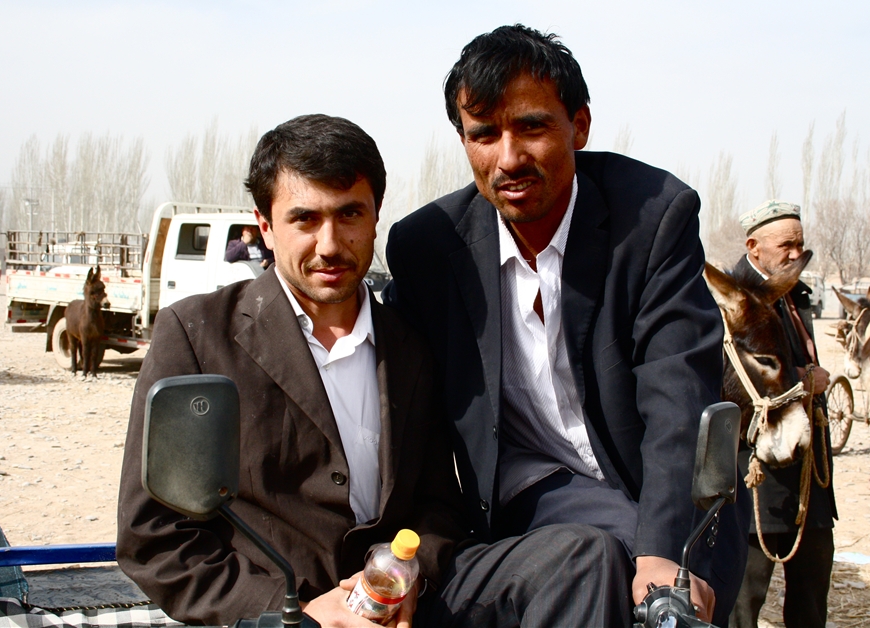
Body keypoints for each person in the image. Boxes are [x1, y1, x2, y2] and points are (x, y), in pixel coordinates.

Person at [118, 113, 626, 628]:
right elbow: (155, 539)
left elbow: (439, 505)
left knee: (586, 556)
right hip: (288, 612)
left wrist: (409, 574)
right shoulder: (198, 335)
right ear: (266, 226)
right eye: (305, 220)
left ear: (376, 216)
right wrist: (295, 610)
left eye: (349, 215)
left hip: (408, 601)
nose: (331, 244)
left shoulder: (410, 341)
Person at [383, 24, 749, 627]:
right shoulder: (428, 248)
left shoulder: (652, 217)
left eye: (531, 126)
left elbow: (677, 389)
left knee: (669, 598)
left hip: (657, 486)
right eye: (484, 134)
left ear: (578, 125)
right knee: (598, 561)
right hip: (532, 495)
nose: (508, 157)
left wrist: (658, 553)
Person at [727, 200, 836, 628]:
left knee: (811, 595)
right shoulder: (730, 302)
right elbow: (728, 382)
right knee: (744, 602)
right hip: (758, 479)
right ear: (753, 246)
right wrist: (802, 380)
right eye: (786, 245)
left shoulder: (796, 295)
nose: (796, 254)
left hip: (811, 475)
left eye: (801, 244)